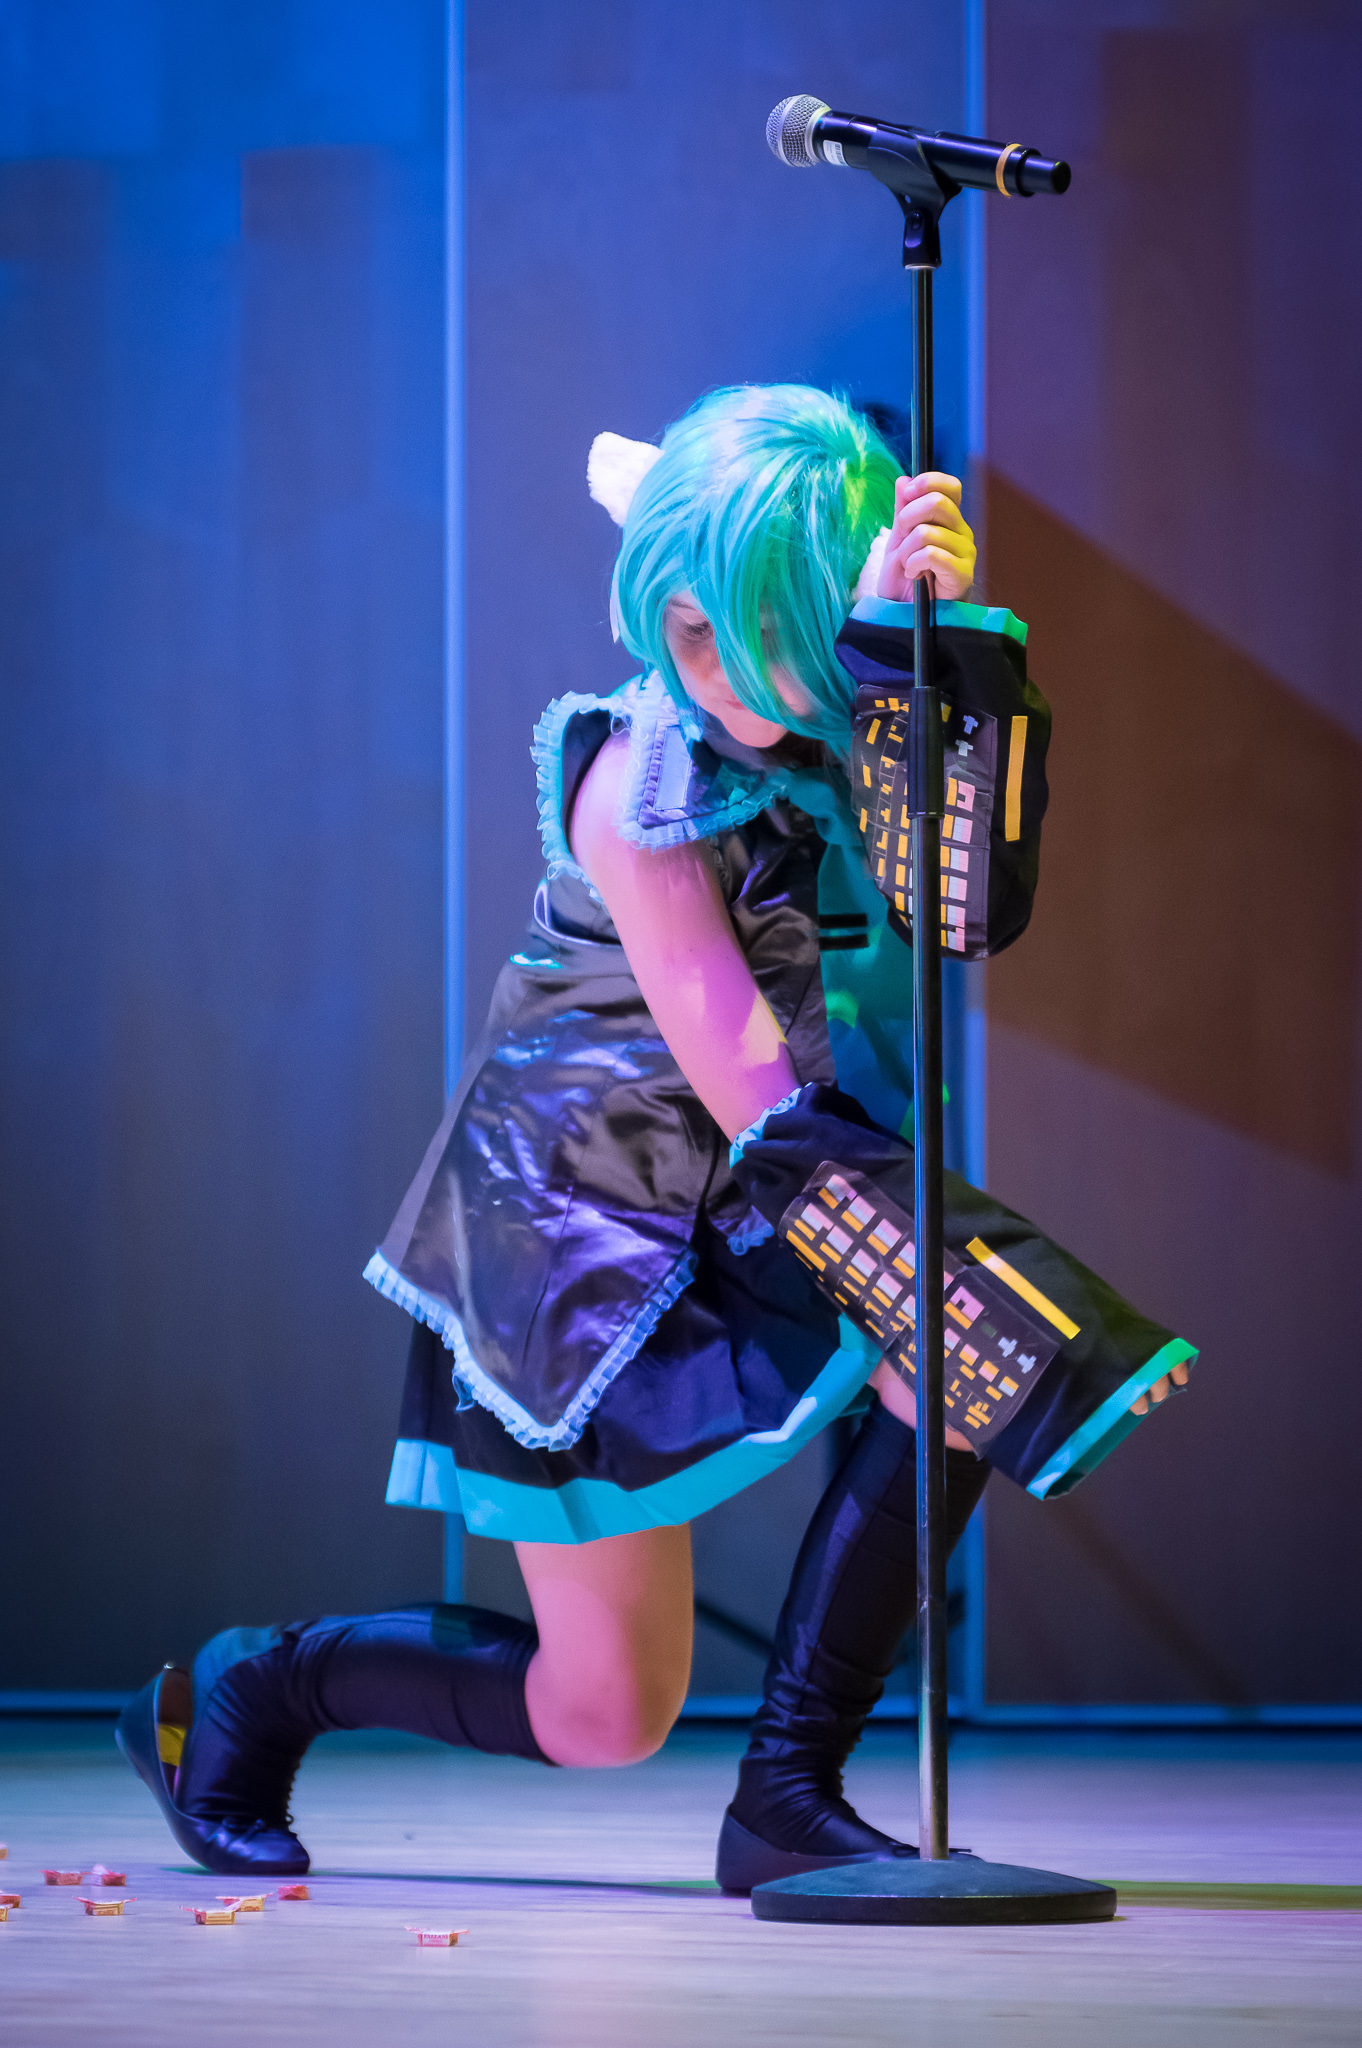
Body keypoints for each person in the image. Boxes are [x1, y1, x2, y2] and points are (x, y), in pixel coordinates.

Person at [117, 385, 1192, 1887]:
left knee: (953, 1356)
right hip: (582, 1243)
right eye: (688, 629)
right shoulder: (641, 782)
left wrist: (924, 653)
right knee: (603, 1712)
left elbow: (959, 906)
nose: (714, 669)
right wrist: (997, 1290)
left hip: (743, 1195)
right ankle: (249, 1689)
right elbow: (758, 1100)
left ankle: (784, 1799)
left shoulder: (836, 720)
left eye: (759, 631)